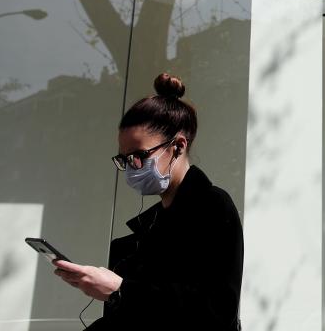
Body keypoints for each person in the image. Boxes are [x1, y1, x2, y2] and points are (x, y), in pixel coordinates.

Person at [53, 73, 244, 330]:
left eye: (139, 155)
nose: (132, 167)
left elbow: (215, 311)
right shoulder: (153, 222)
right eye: (125, 159)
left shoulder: (213, 206)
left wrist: (119, 289)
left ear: (177, 146)